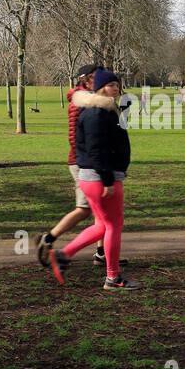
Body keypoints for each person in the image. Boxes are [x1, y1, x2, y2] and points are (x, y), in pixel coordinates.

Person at [44, 69, 138, 291]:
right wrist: (107, 179)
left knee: (102, 226)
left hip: (98, 176)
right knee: (113, 225)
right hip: (100, 177)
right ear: (100, 87)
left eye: (117, 85)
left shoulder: (104, 110)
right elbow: (96, 150)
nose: (116, 88)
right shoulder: (96, 113)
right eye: (111, 85)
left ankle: (63, 255)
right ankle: (112, 278)